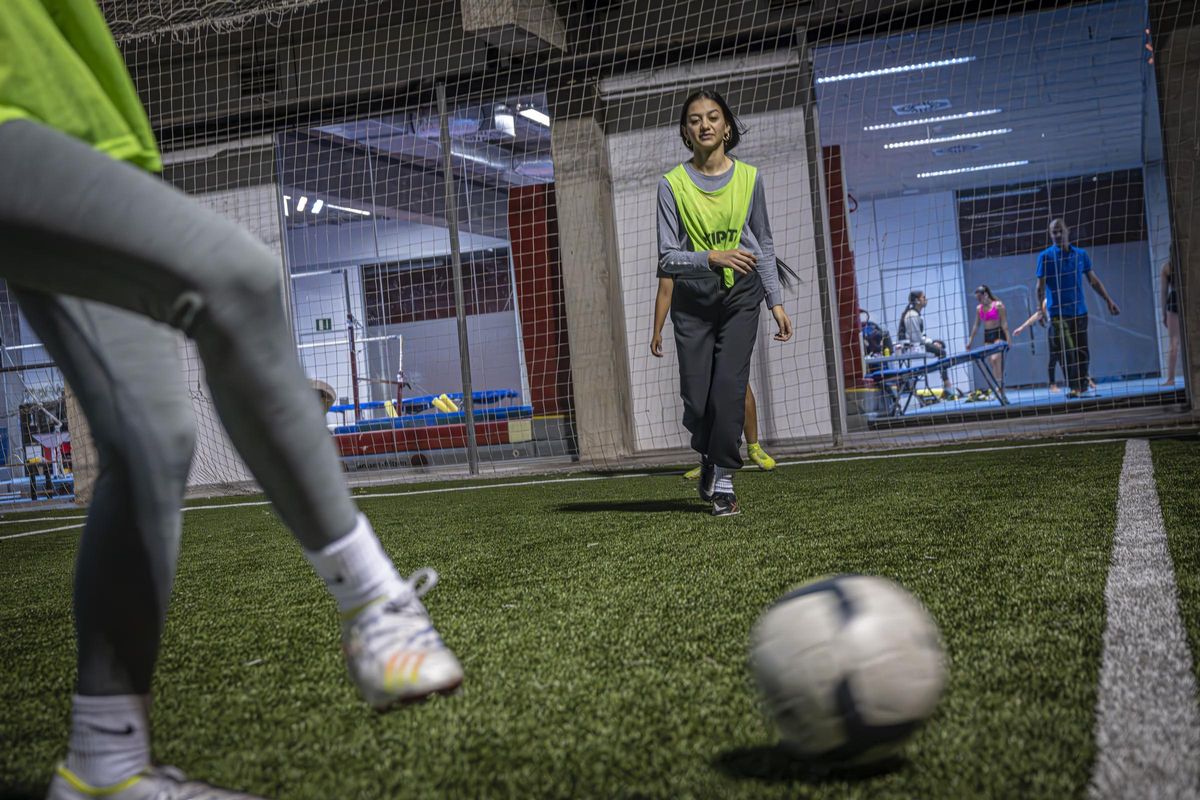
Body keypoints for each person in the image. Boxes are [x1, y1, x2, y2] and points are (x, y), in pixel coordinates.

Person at [0, 3, 462, 798]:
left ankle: (103, 771)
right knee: (238, 279)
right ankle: (375, 602)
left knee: (152, 445)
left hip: (81, 132)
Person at [656, 89, 793, 517]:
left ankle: (724, 483)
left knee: (729, 388)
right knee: (698, 400)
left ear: (727, 127)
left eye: (713, 117)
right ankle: (708, 455)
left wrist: (775, 300)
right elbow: (665, 257)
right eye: (695, 119)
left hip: (742, 295)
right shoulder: (671, 185)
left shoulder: (751, 178)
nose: (705, 124)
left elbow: (764, 243)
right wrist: (710, 257)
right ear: (686, 132)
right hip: (693, 302)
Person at [650, 277, 777, 477]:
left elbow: (758, 256)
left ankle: (754, 447)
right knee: (703, 393)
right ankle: (709, 459)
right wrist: (656, 330)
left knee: (736, 383)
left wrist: (774, 303)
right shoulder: (674, 255)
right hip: (698, 322)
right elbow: (665, 290)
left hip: (726, 313)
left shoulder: (729, 256)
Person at [1036, 219, 1120, 398]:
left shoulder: (1080, 255)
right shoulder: (1045, 257)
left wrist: (1108, 300)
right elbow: (1040, 287)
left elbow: (1093, 281)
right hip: (1058, 314)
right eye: (1054, 232)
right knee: (1068, 349)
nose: (1057, 235)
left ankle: (1082, 385)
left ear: (1068, 231)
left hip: (1080, 311)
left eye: (1060, 231)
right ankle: (1073, 386)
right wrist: (1040, 310)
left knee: (1082, 350)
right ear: (1050, 235)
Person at [897, 290, 955, 399]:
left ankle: (946, 386)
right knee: (942, 352)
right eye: (924, 297)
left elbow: (920, 336)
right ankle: (947, 385)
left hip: (917, 343)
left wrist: (933, 342)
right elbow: (916, 339)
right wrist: (931, 343)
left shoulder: (916, 314)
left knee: (941, 344)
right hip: (913, 347)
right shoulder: (912, 315)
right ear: (917, 300)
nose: (926, 299)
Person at [964, 284, 1010, 391]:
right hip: (988, 334)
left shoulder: (998, 305)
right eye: (977, 299)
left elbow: (1004, 323)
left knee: (996, 358)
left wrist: (1008, 338)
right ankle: (998, 382)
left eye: (980, 298)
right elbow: (976, 325)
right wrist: (970, 341)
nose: (979, 300)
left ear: (986, 295)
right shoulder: (979, 308)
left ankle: (999, 384)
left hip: (999, 333)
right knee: (991, 361)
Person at [1161, 259, 1181, 386]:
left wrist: (1163, 313)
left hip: (1174, 298)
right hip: (1186, 296)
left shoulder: (1167, 267)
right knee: (1174, 342)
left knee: (1173, 342)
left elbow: (1163, 293)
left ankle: (1170, 378)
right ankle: (1170, 378)